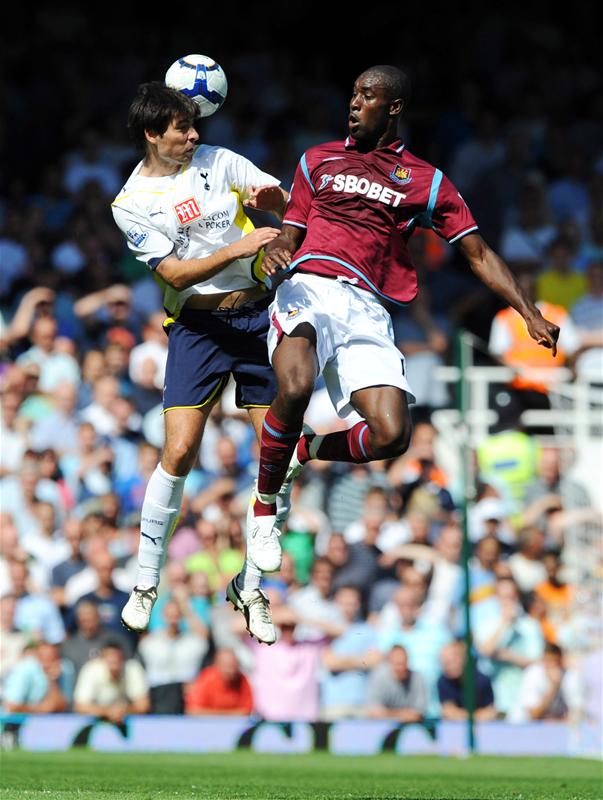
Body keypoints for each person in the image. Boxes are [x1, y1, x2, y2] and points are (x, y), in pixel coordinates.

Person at [246, 65, 560, 564]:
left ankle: (300, 452)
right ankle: (263, 512)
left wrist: (528, 310)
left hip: (368, 308)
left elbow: (477, 254)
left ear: (393, 108)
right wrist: (276, 250)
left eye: (367, 96)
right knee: (296, 383)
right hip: (310, 289)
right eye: (352, 94)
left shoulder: (426, 182)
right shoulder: (316, 161)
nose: (354, 103)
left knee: (392, 433)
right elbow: (291, 230)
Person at [111, 82, 290, 644]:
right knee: (180, 450)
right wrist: (241, 247)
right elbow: (175, 276)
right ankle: (145, 582)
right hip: (197, 327)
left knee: (278, 454)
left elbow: (277, 196)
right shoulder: (131, 203)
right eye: (181, 129)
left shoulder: (219, 161)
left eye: (194, 127)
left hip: (259, 318)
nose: (193, 136)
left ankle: (252, 586)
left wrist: (277, 224)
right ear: (151, 134)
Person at [73, 640, 150, 723]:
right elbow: (80, 706)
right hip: (95, 722)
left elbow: (143, 705)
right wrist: (107, 712)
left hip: (124, 720)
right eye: (110, 658)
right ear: (101, 659)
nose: (114, 661)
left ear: (123, 659)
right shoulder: (91, 669)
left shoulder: (132, 669)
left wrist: (123, 711)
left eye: (117, 658)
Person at [366, 644, 427, 723]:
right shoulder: (379, 677)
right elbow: (373, 712)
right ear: (389, 662)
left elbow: (418, 714)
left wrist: (387, 714)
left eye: (403, 663)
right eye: (397, 664)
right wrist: (403, 714)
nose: (401, 668)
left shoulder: (417, 678)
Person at [184, 647, 253, 716]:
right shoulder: (206, 679)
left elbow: (246, 712)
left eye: (233, 666)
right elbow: (193, 710)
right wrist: (227, 715)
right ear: (217, 665)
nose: (231, 671)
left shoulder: (242, 680)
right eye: (227, 666)